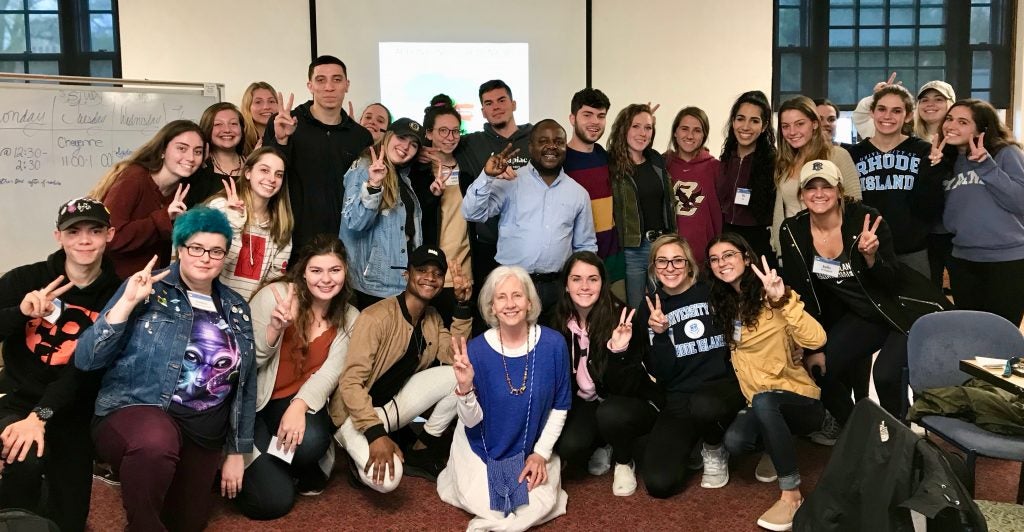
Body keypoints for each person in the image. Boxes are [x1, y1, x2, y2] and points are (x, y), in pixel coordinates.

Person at [75, 207, 257, 532]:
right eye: (196, 248)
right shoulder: (149, 288)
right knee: (154, 444)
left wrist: (236, 451)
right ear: (180, 249)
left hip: (204, 429)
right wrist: (126, 304)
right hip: (141, 409)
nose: (205, 258)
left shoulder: (236, 307)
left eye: (216, 251)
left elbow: (246, 384)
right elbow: (87, 359)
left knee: (187, 523)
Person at [778, 159, 949, 437]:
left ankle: (899, 442)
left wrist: (871, 257)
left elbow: (892, 278)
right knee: (821, 369)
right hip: (864, 315)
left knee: (885, 375)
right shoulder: (793, 230)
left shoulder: (865, 219)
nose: (819, 194)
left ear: (839, 191)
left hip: (901, 308)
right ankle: (859, 432)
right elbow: (802, 291)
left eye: (826, 187)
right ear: (801, 194)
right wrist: (812, 346)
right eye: (811, 188)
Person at [0, 198, 120, 532]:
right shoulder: (25, 279)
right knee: (21, 455)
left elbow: (90, 371)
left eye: (95, 231)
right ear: (58, 236)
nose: (84, 240)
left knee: (70, 517)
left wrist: (44, 416)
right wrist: (20, 314)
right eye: (74, 231)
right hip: (18, 398)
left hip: (75, 408)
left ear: (109, 235)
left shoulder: (117, 295)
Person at [707, 233, 826, 532]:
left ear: (746, 258)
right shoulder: (724, 305)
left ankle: (791, 494)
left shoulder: (772, 294)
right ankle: (774, 445)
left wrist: (781, 298)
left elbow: (816, 339)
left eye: (729, 255)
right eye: (715, 259)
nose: (722, 263)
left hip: (797, 397)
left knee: (765, 401)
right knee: (735, 442)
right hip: (758, 399)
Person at [438, 266, 570, 531]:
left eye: (517, 296)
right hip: (481, 448)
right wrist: (464, 388)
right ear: (492, 307)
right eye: (501, 297)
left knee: (540, 504)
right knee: (494, 509)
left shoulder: (554, 344)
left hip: (529, 449)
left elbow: (560, 405)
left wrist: (541, 455)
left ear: (530, 302)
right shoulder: (475, 350)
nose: (510, 304)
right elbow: (471, 421)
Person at [235, 235, 359, 519]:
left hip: (290, 403)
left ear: (345, 272)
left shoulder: (351, 317)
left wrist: (299, 405)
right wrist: (274, 330)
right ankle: (261, 466)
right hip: (253, 403)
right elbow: (242, 365)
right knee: (274, 502)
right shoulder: (276, 297)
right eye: (316, 270)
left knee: (312, 441)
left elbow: (330, 373)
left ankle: (277, 463)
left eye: (334, 270)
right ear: (303, 272)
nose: (326, 279)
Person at [332, 245, 473, 491]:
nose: (430, 277)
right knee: (388, 481)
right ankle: (351, 448)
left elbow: (456, 357)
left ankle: (421, 449)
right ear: (407, 275)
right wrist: (375, 434)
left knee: (461, 375)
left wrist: (462, 306)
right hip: (353, 416)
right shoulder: (376, 318)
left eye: (437, 273)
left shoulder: (432, 317)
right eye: (421, 270)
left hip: (389, 409)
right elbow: (350, 383)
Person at [615, 234, 745, 498]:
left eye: (677, 260)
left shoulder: (712, 292)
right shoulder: (649, 307)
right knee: (659, 484)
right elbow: (660, 373)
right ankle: (695, 440)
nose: (670, 268)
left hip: (721, 389)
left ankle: (713, 445)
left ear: (689, 265)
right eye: (662, 262)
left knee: (705, 406)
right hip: (679, 399)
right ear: (653, 267)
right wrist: (661, 335)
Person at [462, 119, 597, 319]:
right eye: (543, 141)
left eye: (558, 141)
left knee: (555, 346)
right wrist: (487, 177)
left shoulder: (578, 193)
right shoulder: (510, 181)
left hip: (557, 289)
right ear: (530, 147)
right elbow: (472, 213)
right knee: (512, 347)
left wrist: (581, 287)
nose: (551, 146)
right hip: (512, 286)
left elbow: (585, 246)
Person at [551, 252, 661, 490]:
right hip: (587, 402)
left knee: (610, 413)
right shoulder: (556, 320)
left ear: (603, 283)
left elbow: (627, 387)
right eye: (576, 279)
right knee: (570, 447)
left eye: (593, 279)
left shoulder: (623, 318)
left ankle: (624, 461)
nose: (584, 286)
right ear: (566, 285)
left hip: (628, 401)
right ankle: (605, 442)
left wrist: (618, 350)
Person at [263, 55, 373, 254]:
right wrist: (281, 141)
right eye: (320, 80)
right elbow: (268, 178)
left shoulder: (360, 136)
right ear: (310, 85)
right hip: (293, 242)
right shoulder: (285, 123)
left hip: (346, 245)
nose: (329, 87)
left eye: (337, 80)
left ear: (347, 85)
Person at [934, 99, 1024, 326]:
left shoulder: (1006, 153)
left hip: (1006, 262)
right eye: (950, 119)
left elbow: (1020, 202)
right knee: (971, 334)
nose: (951, 125)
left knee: (1002, 335)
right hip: (963, 262)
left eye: (963, 122)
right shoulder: (948, 160)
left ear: (982, 129)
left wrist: (986, 166)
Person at [847, 84, 947, 278]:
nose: (887, 116)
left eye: (896, 111)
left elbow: (931, 204)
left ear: (908, 115)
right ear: (872, 112)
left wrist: (935, 168)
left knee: (919, 307)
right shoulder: (853, 154)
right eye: (882, 109)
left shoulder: (924, 151)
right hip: (868, 249)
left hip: (913, 250)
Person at [89, 119, 204, 279]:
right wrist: (164, 217)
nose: (191, 157)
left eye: (198, 151)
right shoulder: (134, 178)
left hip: (149, 283)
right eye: (182, 148)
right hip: (113, 285)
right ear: (163, 150)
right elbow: (109, 238)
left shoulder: (182, 190)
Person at [456, 80, 533, 296]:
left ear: (514, 104)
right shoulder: (470, 143)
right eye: (489, 103)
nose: (496, 107)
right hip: (488, 247)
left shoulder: (536, 139)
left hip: (528, 243)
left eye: (501, 100)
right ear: (482, 111)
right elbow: (440, 141)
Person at [339, 118, 425, 309]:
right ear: (388, 135)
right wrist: (374, 186)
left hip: (400, 283)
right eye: (402, 138)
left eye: (413, 144)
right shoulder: (364, 167)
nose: (406, 147)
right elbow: (354, 222)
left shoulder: (402, 176)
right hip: (371, 286)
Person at [771, 96, 862, 259]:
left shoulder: (837, 156)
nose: (792, 132)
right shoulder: (785, 162)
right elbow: (781, 211)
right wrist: (780, 249)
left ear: (814, 124)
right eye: (786, 126)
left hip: (831, 250)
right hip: (794, 249)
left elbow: (854, 206)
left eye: (800, 124)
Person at [411, 95, 472, 326]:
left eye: (455, 131)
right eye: (443, 131)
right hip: (429, 274)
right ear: (428, 133)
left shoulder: (467, 168)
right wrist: (432, 195)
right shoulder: (416, 170)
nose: (450, 137)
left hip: (463, 273)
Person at [205, 147, 294, 302]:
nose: (272, 179)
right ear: (248, 173)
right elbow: (208, 263)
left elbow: (273, 283)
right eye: (264, 170)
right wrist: (233, 222)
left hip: (249, 313)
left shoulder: (282, 223)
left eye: (278, 174)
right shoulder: (220, 207)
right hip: (211, 305)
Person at [607, 103, 674, 308]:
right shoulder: (612, 165)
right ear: (623, 129)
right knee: (636, 311)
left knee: (663, 307)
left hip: (662, 246)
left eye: (648, 127)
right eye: (635, 126)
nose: (642, 133)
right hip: (632, 250)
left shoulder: (656, 160)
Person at [717, 91, 778, 269]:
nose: (745, 126)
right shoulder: (724, 160)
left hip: (759, 241)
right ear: (733, 122)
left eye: (754, 120)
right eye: (740, 119)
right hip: (728, 237)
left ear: (764, 125)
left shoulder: (774, 163)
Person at [564, 88, 620, 264]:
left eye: (601, 116)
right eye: (587, 115)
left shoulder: (605, 156)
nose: (595, 121)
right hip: (576, 261)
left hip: (612, 258)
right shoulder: (560, 162)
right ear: (572, 119)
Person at [664, 106, 723, 264]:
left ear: (704, 135)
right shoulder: (662, 164)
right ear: (675, 132)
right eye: (684, 129)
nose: (690, 135)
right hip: (669, 259)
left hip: (706, 258)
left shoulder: (716, 168)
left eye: (697, 130)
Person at [853, 73, 956, 142]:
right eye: (924, 100)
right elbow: (861, 116)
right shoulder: (898, 132)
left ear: (951, 104)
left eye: (938, 99)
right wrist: (881, 96)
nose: (930, 104)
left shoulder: (958, 137)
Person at [186, 102, 246, 207]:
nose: (227, 130)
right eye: (218, 124)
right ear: (207, 129)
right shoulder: (195, 169)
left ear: (242, 129)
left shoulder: (254, 166)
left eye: (233, 124)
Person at [240, 81, 279, 155]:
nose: (266, 107)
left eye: (271, 101)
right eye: (258, 102)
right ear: (247, 107)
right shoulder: (239, 139)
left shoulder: (289, 135)